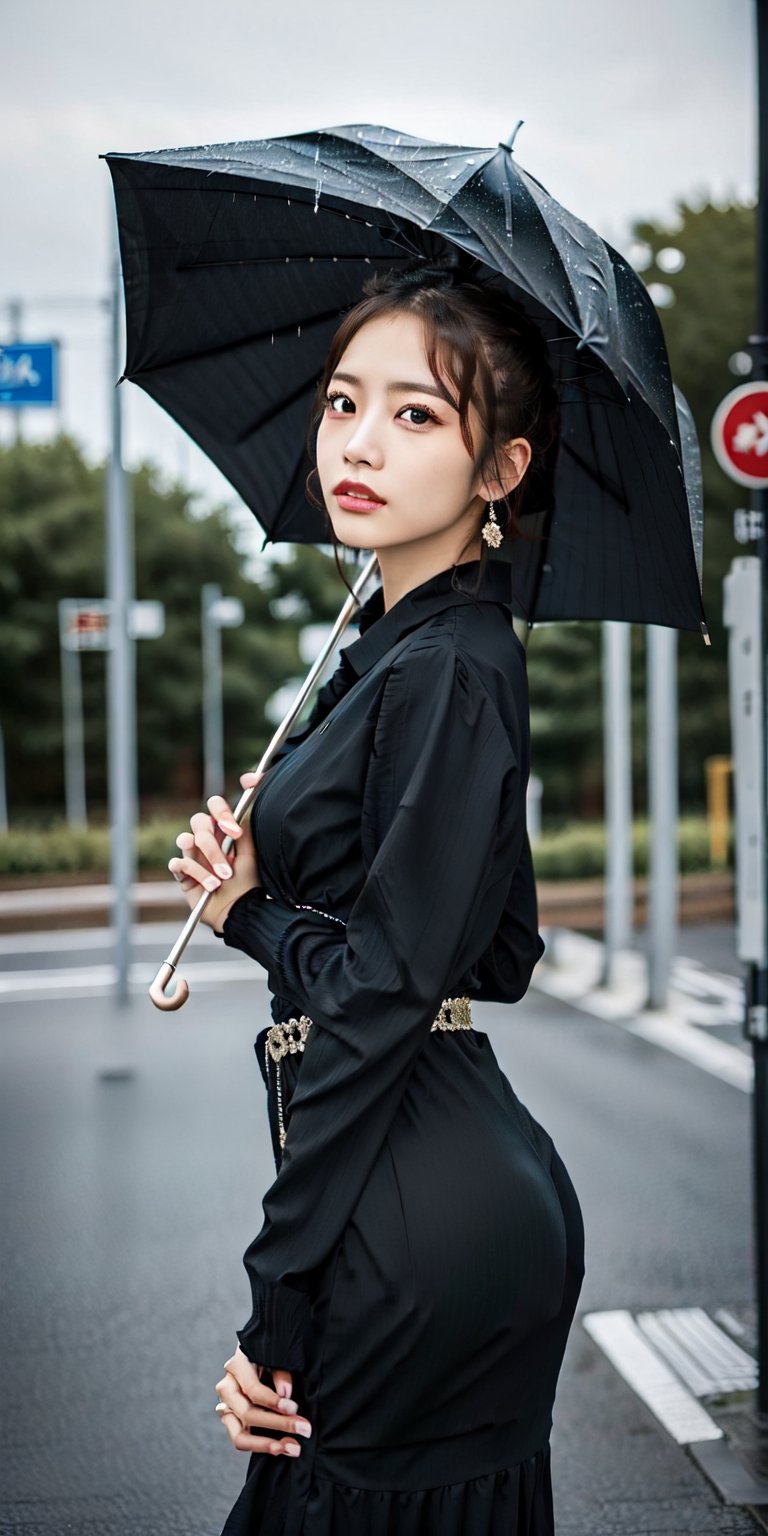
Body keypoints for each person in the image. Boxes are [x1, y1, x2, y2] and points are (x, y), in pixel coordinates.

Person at [169, 261, 586, 1536]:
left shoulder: (450, 668)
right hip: (449, 1190)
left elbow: (381, 1003)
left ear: (501, 471)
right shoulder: (407, 653)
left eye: (417, 415)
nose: (358, 442)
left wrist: (252, 912)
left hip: (413, 1221)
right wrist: (303, 842)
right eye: (343, 402)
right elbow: (497, 951)